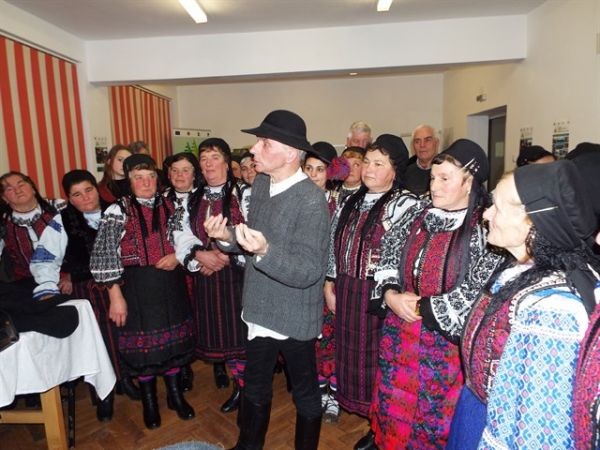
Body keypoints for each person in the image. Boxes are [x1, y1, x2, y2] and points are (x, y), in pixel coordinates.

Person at [449, 160, 599, 449]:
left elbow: (539, 429)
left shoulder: (553, 308)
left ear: (532, 222)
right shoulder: (517, 270)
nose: (486, 214)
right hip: (475, 410)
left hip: (500, 429)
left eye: (497, 207)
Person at [204, 109, 330, 450]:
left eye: (264, 143)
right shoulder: (260, 184)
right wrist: (226, 237)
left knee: (305, 393)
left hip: (294, 315)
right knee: (255, 386)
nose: (253, 150)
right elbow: (252, 241)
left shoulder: (312, 200)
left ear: (290, 153)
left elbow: (308, 271)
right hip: (259, 306)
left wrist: (265, 251)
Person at [368, 139, 500, 450]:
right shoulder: (417, 212)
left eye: (445, 178)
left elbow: (478, 290)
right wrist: (390, 295)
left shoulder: (486, 227)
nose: (434, 186)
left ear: (469, 182)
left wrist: (421, 307)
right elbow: (388, 252)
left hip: (444, 347)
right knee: (393, 406)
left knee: (433, 419)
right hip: (399, 333)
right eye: (432, 178)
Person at [324, 134, 417, 449]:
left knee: (380, 363)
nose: (369, 169)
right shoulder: (351, 199)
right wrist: (330, 282)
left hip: (379, 296)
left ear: (395, 169)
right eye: (367, 162)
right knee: (350, 356)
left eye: (379, 163)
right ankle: (365, 416)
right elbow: (334, 242)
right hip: (347, 289)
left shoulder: (404, 204)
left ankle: (380, 428)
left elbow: (403, 256)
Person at [90, 154, 195, 430]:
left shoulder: (172, 205)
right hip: (136, 288)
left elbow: (185, 239)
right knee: (144, 349)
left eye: (150, 177)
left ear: (157, 179)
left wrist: (178, 257)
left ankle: (175, 395)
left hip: (170, 283)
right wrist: (115, 297)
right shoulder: (117, 210)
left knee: (173, 343)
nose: (146, 183)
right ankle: (150, 401)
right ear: (129, 181)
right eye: (138, 178)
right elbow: (104, 254)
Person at [29, 169, 130, 420]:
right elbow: (45, 258)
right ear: (69, 198)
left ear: (97, 188)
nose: (85, 198)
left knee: (125, 335)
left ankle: (125, 380)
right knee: (98, 342)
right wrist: (49, 288)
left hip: (121, 285)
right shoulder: (61, 221)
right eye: (77, 194)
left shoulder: (116, 211)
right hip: (88, 293)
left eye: (88, 190)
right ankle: (103, 395)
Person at [173, 137, 247, 413]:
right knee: (223, 337)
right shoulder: (192, 198)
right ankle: (239, 384)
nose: (209, 164)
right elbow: (180, 233)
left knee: (241, 337)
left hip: (239, 277)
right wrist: (199, 255)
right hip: (207, 278)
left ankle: (246, 388)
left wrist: (227, 255)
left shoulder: (244, 193)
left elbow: (257, 229)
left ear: (227, 162)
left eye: (214, 157)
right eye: (204, 159)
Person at [303, 141, 348, 423]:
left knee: (334, 341)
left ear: (329, 173)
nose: (313, 175)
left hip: (330, 284)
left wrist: (328, 282)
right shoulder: (296, 202)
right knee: (314, 342)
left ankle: (335, 395)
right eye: (308, 168)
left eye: (319, 169)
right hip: (304, 285)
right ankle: (319, 391)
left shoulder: (339, 205)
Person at [164, 152, 203, 392]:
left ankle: (219, 367)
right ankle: (185, 366)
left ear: (194, 174)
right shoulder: (160, 200)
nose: (180, 175)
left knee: (205, 315)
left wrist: (183, 257)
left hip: (201, 267)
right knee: (181, 319)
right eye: (175, 170)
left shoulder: (204, 197)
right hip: (172, 272)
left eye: (185, 170)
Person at [404, 124, 440, 196]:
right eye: (417, 141)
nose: (422, 145)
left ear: (437, 143)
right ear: (413, 146)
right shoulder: (405, 172)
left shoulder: (446, 171)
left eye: (427, 140)